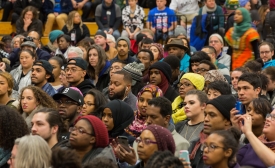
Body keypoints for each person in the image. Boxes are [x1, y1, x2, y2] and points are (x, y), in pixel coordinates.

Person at [189, 95, 236, 168]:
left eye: (212, 115)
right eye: (205, 114)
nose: (206, 119)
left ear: (227, 121)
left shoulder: (237, 148)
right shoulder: (196, 143)